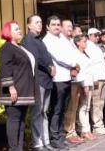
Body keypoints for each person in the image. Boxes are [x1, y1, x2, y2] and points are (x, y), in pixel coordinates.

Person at [0, 20, 37, 151]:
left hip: (24, 90)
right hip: (14, 91)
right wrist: (11, 87)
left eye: (19, 28)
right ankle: (14, 148)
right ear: (8, 32)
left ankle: (19, 148)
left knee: (21, 122)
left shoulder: (20, 47)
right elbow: (5, 69)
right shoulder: (6, 48)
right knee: (14, 120)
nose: (19, 30)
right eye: (16, 29)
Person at [42, 16, 78, 150]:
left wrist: (74, 64)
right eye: (53, 25)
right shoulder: (47, 40)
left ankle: (62, 137)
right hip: (57, 80)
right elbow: (60, 57)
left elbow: (72, 52)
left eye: (58, 24)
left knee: (63, 110)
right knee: (56, 110)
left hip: (67, 77)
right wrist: (74, 64)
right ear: (47, 27)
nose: (56, 27)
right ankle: (55, 138)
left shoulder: (61, 38)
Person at [22, 15, 55, 151]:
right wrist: (49, 67)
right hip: (38, 80)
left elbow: (47, 56)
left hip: (46, 79)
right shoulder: (28, 40)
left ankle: (46, 141)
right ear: (29, 25)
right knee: (37, 112)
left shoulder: (39, 40)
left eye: (41, 22)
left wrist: (51, 67)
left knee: (44, 112)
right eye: (36, 23)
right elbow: (36, 58)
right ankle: (38, 143)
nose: (40, 25)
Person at [61, 20, 84, 145]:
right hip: (68, 77)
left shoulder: (70, 41)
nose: (70, 28)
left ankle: (73, 130)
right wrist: (73, 67)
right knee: (70, 107)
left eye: (71, 26)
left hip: (76, 77)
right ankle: (69, 132)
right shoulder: (61, 41)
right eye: (67, 26)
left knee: (74, 106)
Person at [86, 28, 105, 135]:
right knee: (96, 103)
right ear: (89, 35)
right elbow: (89, 65)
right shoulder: (88, 47)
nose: (97, 37)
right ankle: (97, 125)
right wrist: (94, 78)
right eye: (95, 35)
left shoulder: (96, 47)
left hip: (102, 78)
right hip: (96, 79)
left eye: (98, 35)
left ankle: (100, 124)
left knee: (101, 103)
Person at [72, 34, 95, 141]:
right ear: (78, 43)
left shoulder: (85, 54)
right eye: (83, 41)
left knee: (87, 107)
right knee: (83, 107)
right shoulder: (77, 54)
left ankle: (87, 130)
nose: (85, 43)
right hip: (84, 83)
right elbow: (80, 71)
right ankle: (84, 130)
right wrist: (84, 85)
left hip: (89, 82)